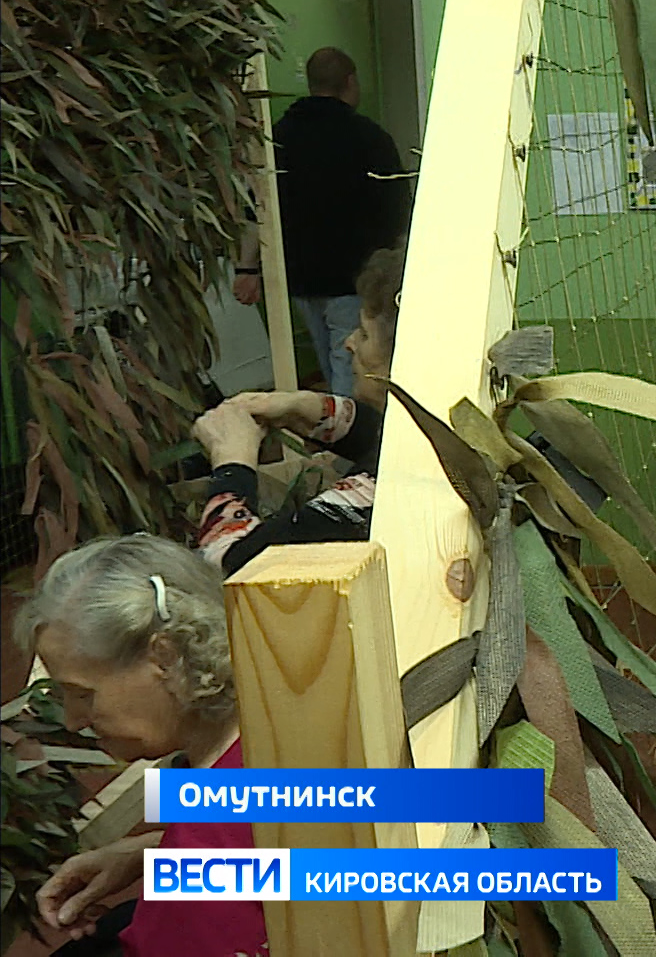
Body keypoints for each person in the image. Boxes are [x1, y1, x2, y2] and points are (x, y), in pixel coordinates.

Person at [19, 535, 267, 957]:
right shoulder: (263, 738)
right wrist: (148, 854)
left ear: (166, 659)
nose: (74, 721)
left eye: (82, 693)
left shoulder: (215, 841)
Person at [193, 249, 401, 576]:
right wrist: (314, 412)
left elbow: (237, 568)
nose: (350, 343)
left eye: (363, 334)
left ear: (404, 362)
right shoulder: (437, 435)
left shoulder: (379, 493)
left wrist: (231, 463)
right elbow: (384, 439)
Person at [240, 48, 409, 397]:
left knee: (330, 364)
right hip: (354, 277)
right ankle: (355, 439)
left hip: (299, 276)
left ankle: (337, 434)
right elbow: (397, 209)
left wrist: (247, 269)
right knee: (351, 362)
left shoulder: (277, 139)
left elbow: (257, 208)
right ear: (350, 82)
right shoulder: (369, 138)